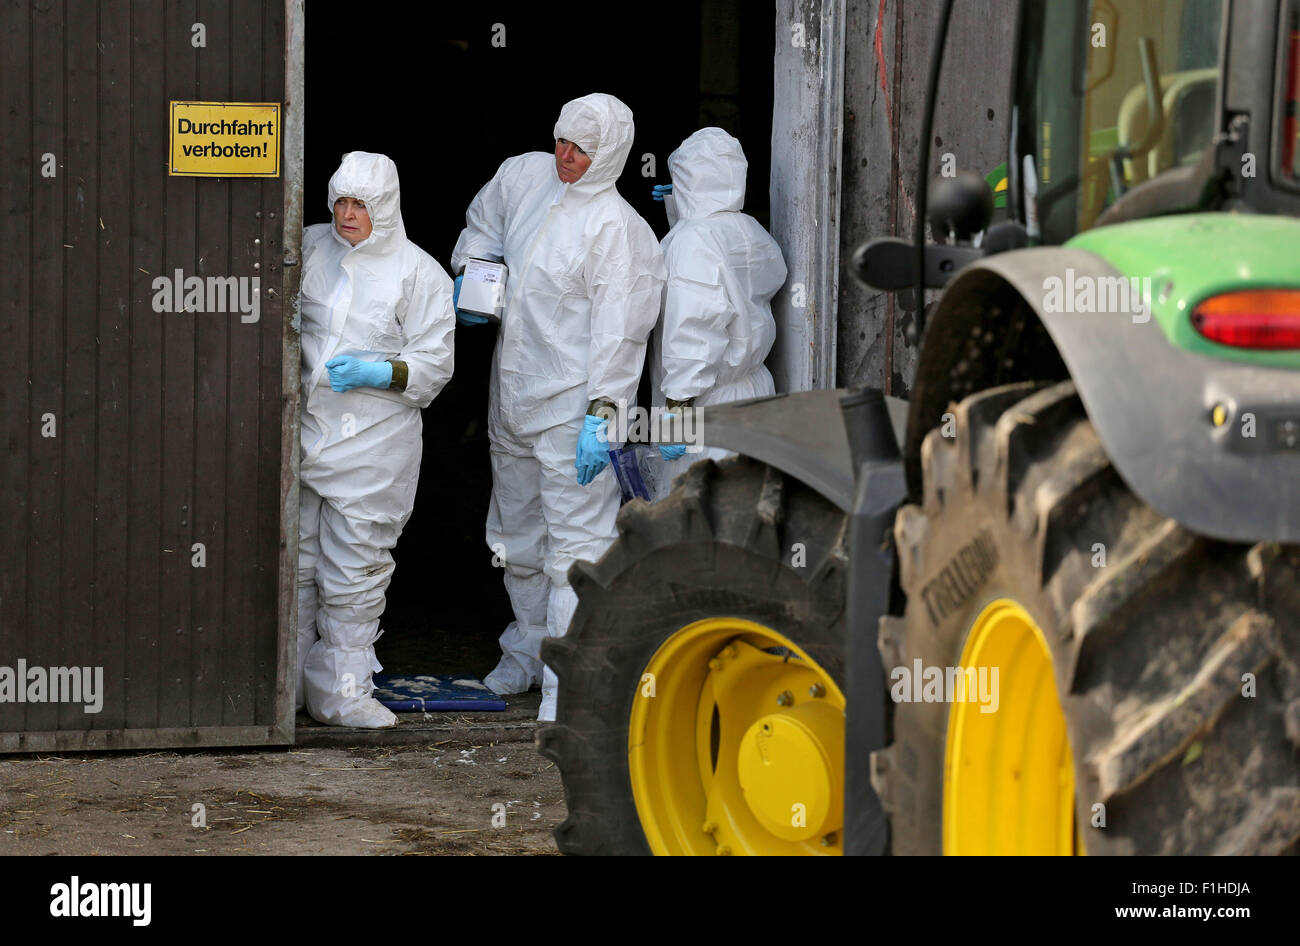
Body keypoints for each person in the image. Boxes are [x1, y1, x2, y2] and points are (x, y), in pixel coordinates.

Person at [452, 93, 665, 721]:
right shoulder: (524, 176)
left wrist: (606, 413)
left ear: (611, 156)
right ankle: (527, 649)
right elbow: (481, 224)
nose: (566, 157)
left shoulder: (621, 232)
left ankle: (566, 684)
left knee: (576, 545)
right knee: (515, 535)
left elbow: (621, 333)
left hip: (571, 410)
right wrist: (477, 270)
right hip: (511, 397)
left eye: (581, 150)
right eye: (561, 142)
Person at [296, 151, 456, 728]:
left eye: (360, 204)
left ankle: (342, 694)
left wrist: (380, 372)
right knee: (294, 565)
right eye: (340, 201)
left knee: (353, 573)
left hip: (371, 447)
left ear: (384, 210)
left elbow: (436, 366)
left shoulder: (420, 275)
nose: (347, 213)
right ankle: (282, 690)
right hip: (305, 435)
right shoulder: (312, 246)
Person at [649, 127, 787, 499]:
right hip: (753, 389)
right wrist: (678, 210)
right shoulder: (751, 230)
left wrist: (678, 408)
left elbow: (693, 326)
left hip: (703, 406)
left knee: (695, 519)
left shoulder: (692, 241)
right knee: (745, 508)